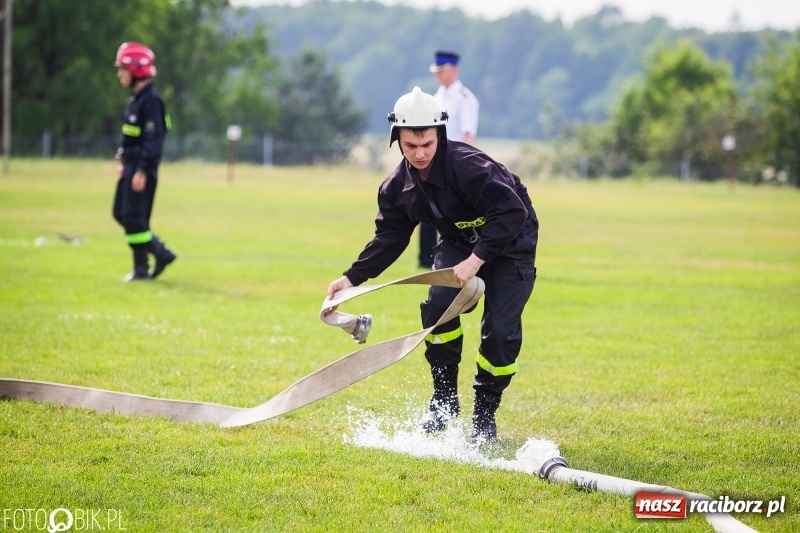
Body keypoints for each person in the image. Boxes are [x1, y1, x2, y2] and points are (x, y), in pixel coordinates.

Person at [326, 87, 538, 445]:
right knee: (437, 308)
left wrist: (477, 259)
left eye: (427, 143)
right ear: (398, 140)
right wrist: (351, 278)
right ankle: (444, 400)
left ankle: (484, 418)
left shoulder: (469, 167)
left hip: (511, 244)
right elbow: (389, 237)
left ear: (439, 134)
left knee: (500, 332)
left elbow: (512, 211)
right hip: (459, 244)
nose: (420, 153)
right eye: (411, 146)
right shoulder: (397, 188)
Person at [112, 42, 176, 282]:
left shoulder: (151, 102)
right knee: (121, 213)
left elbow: (153, 141)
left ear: (136, 70)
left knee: (133, 217)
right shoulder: (136, 100)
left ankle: (148, 264)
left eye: (123, 69)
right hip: (130, 165)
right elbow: (130, 137)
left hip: (141, 168)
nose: (120, 74)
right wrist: (124, 161)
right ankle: (158, 255)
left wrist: (143, 169)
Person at [417, 50, 480, 269]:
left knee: (452, 213)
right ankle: (426, 259)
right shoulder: (436, 98)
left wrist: (465, 169)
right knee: (426, 210)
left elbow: (467, 135)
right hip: (432, 162)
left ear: (453, 69)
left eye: (441, 71)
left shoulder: (465, 98)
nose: (437, 75)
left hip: (453, 164)